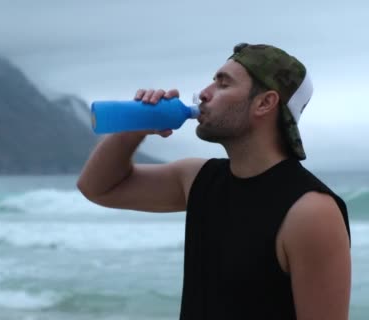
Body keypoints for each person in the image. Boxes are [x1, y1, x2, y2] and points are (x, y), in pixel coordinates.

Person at [77, 43, 351, 320]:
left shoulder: (311, 211)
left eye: (223, 85)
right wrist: (135, 127)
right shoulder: (198, 179)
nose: (204, 94)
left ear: (265, 103)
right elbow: (99, 187)